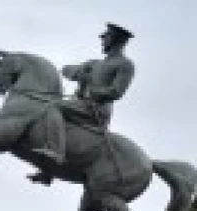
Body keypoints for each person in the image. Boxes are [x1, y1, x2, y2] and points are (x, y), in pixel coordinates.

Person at [27, 22, 136, 184]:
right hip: (81, 105)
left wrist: (92, 90)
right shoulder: (95, 64)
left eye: (106, 36)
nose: (102, 39)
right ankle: (47, 171)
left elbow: (116, 92)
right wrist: (76, 72)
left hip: (98, 108)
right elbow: (67, 69)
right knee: (49, 108)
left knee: (53, 107)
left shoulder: (125, 65)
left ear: (116, 40)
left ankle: (54, 152)